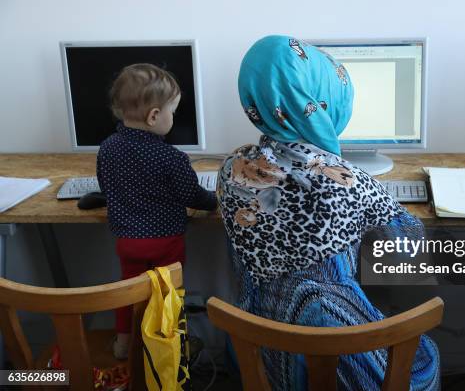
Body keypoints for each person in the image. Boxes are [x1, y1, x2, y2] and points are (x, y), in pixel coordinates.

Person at [218, 36, 440, 390]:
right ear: (319, 102)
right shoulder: (347, 182)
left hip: (259, 355)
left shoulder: (233, 168)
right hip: (342, 359)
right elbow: (411, 257)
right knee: (425, 354)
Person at [97, 63, 217, 359]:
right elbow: (191, 195)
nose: (172, 118)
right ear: (154, 116)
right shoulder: (171, 158)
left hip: (128, 242)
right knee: (166, 295)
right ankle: (168, 347)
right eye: (172, 112)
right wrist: (213, 201)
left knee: (130, 293)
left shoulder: (108, 148)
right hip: (166, 241)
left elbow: (105, 184)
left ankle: (124, 343)